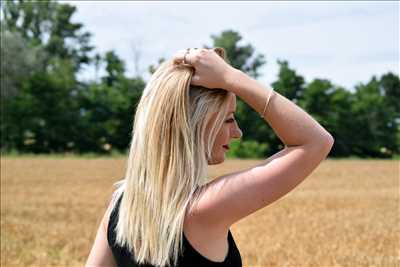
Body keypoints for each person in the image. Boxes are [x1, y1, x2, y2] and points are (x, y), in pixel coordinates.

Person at [85, 47, 334, 267]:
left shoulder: (120, 205)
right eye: (228, 118)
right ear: (193, 124)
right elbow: (316, 142)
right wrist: (231, 77)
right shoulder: (203, 209)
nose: (237, 132)